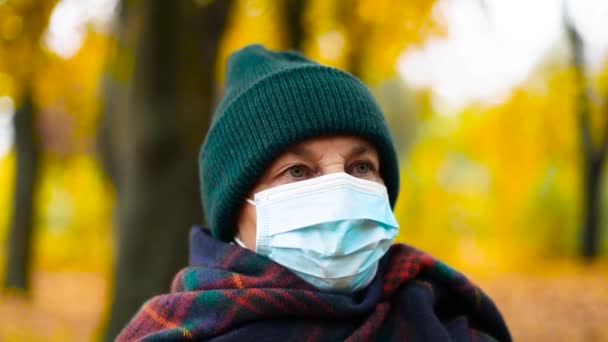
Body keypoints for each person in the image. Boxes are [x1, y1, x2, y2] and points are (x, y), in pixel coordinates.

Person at [116, 44, 512, 341]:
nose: (339, 191)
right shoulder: (177, 330)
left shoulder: (442, 316)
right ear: (236, 207)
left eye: (361, 167)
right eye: (298, 171)